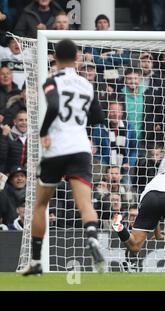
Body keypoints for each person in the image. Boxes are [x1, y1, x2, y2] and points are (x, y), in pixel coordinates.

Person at [21, 39, 105, 276]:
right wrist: (78, 124)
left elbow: (56, 105)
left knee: (41, 204)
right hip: (80, 148)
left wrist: (44, 131)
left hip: (56, 149)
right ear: (77, 58)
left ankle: (36, 261)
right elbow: (98, 117)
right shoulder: (87, 84)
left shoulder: (51, 81)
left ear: (55, 59)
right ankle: (92, 237)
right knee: (85, 203)